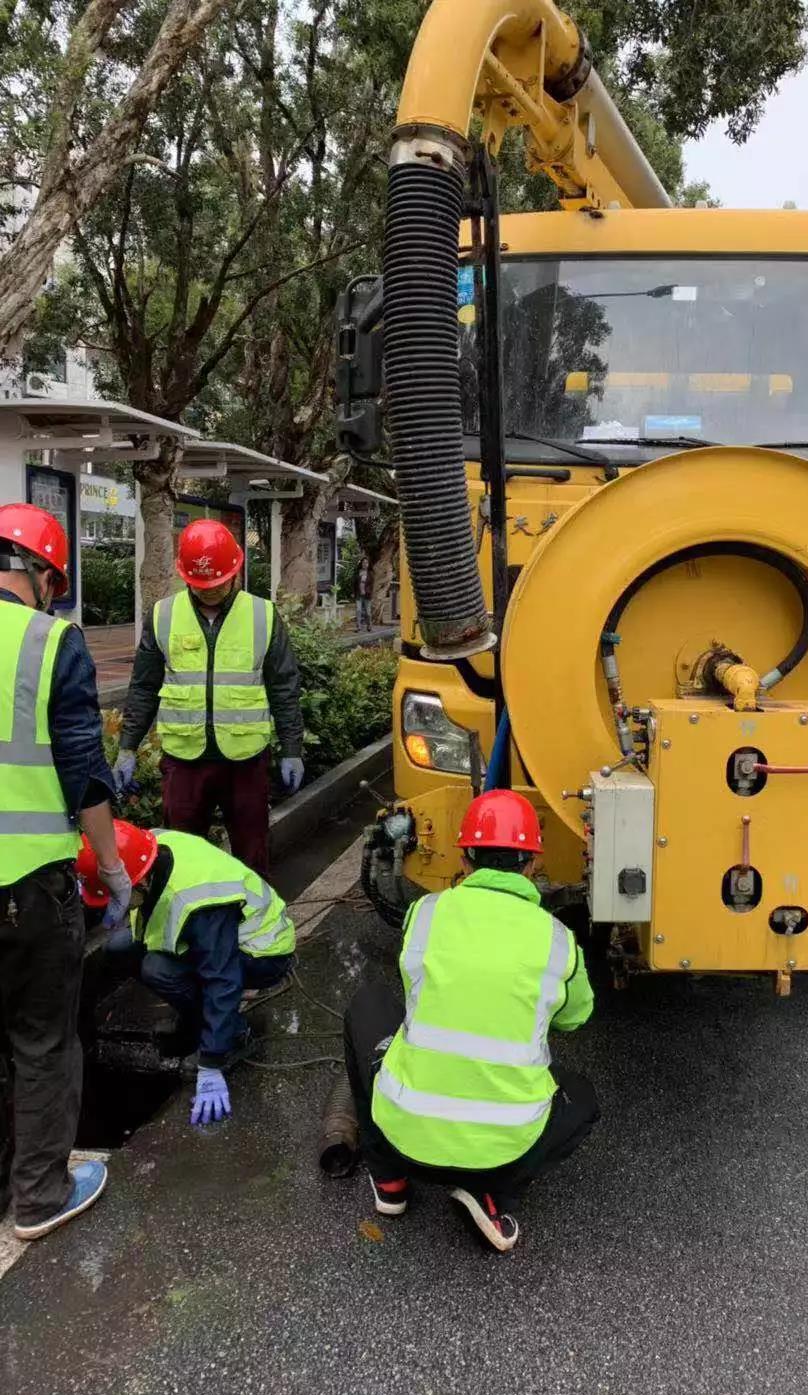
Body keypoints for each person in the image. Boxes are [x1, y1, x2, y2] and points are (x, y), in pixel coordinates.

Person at [343, 790, 599, 1253]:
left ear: (464, 860)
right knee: (581, 1098)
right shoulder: (558, 941)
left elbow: (413, 986)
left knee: (369, 1005)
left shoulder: (424, 914)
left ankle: (390, 1180)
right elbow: (576, 1018)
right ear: (533, 865)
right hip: (501, 1151)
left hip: (405, 1135)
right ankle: (492, 1193)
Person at [0, 503, 129, 1241]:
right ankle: (40, 1195)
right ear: (45, 575)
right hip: (27, 885)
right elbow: (83, 775)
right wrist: (112, 871)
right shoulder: (51, 642)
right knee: (42, 1041)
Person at [113, 519, 303, 880]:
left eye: (216, 583)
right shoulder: (163, 615)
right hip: (185, 762)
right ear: (186, 577)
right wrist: (127, 747)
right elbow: (143, 687)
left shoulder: (263, 615)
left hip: (246, 762)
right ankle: (188, 927)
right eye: (201, 585)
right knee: (182, 857)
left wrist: (291, 748)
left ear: (235, 570)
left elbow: (284, 687)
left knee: (252, 855)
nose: (210, 591)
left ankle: (252, 926)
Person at [77, 820, 296, 1125]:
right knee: (119, 948)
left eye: (115, 896)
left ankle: (233, 1035)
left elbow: (222, 979)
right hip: (216, 935)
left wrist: (211, 1063)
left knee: (158, 969)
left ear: (137, 883)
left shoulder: (199, 902)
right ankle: (197, 1020)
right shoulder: (146, 848)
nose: (113, 905)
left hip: (262, 954)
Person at [355, 556, 373, 632]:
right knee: (358, 610)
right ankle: (358, 627)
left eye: (366, 563)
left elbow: (372, 585)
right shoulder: (357, 572)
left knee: (368, 612)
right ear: (361, 564)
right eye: (363, 562)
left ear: (368, 564)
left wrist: (370, 592)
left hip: (367, 595)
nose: (365, 564)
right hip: (359, 595)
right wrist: (353, 592)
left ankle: (369, 626)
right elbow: (354, 583)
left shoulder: (370, 573)